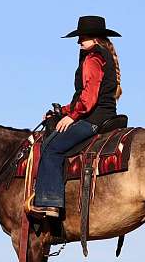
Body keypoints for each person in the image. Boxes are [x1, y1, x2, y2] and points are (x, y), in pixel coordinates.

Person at [28, 15, 123, 218]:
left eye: (83, 36)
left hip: (92, 119)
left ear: (95, 38)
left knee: (51, 147)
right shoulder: (104, 55)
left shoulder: (93, 58)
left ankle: (50, 203)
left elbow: (88, 97)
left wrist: (72, 116)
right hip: (104, 115)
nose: (79, 41)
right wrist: (62, 111)